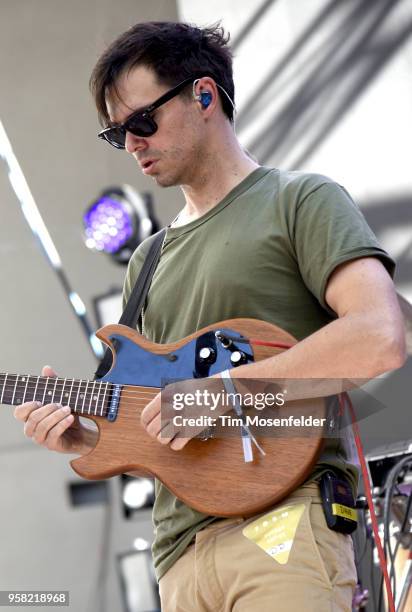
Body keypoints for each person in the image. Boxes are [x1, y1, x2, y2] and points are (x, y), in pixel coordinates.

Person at [15, 21, 406, 612]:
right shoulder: (145, 262)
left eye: (142, 122)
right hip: (179, 559)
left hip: (285, 526)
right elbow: (156, 412)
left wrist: (227, 391)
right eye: (116, 134)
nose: (132, 145)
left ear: (203, 95)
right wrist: (84, 434)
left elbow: (379, 337)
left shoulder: (298, 199)